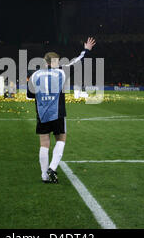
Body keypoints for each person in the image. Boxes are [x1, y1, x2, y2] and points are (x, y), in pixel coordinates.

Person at [27, 37, 96, 183]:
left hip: (42, 113)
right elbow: (78, 62)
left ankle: (44, 176)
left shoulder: (34, 75)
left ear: (45, 62)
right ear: (56, 62)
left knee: (44, 143)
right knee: (61, 139)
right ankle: (52, 167)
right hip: (58, 112)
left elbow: (30, 95)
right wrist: (86, 50)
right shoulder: (62, 72)